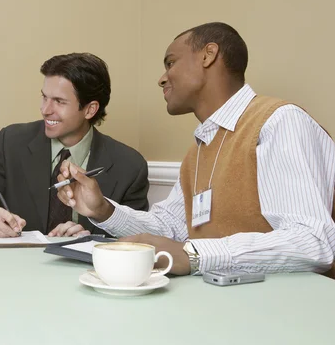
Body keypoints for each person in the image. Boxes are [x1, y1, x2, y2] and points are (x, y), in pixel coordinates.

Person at [58, 22, 335, 277]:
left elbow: (312, 243)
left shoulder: (278, 121)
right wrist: (104, 210)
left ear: (208, 55)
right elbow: (171, 228)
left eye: (171, 62)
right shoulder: (198, 151)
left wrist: (194, 255)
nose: (162, 79)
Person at [0, 52, 149, 237]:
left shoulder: (130, 166)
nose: (45, 110)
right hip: (17, 266)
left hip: (87, 269)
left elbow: (137, 240)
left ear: (90, 109)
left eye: (59, 101)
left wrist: (89, 239)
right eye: (44, 97)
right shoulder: (11, 142)